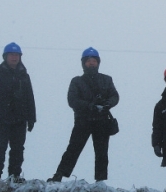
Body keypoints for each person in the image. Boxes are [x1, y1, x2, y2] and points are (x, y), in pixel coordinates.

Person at [48, 47, 119, 183]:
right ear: (83, 63)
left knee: (102, 153)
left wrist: (107, 104)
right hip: (83, 121)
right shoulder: (77, 81)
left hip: (102, 121)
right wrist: (90, 106)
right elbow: (72, 100)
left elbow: (115, 96)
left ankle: (100, 180)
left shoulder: (106, 80)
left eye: (94, 60)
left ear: (98, 62)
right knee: (73, 149)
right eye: (88, 61)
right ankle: (59, 175)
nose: (91, 63)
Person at [0, 42, 37, 183]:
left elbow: (30, 97)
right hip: (1, 119)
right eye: (11, 55)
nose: (14, 57)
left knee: (18, 149)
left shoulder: (24, 75)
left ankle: (14, 176)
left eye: (16, 55)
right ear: (5, 57)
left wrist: (32, 118)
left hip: (20, 119)